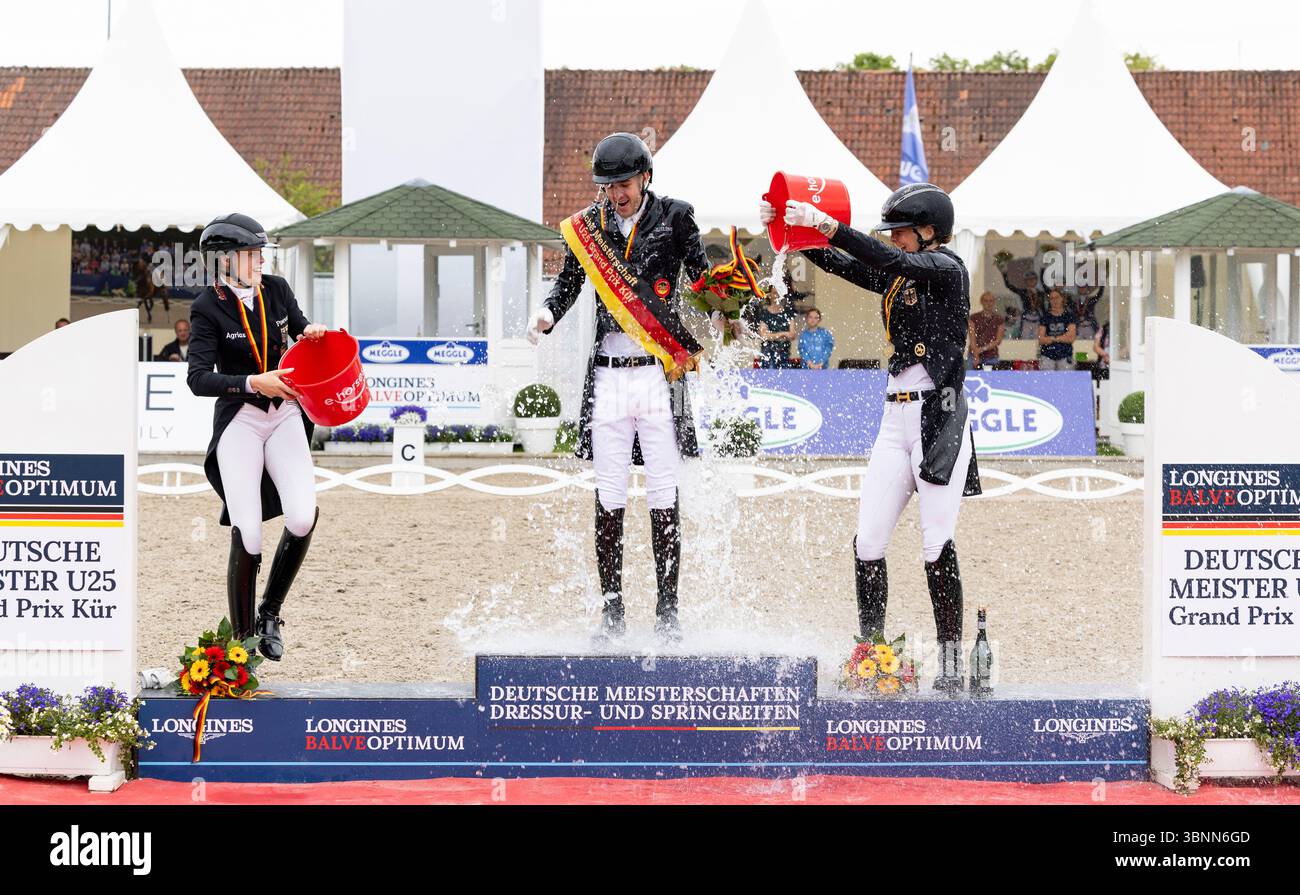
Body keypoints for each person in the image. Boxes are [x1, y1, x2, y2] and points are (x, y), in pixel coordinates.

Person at [760, 182, 981, 695]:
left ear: (929, 232)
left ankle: (950, 663)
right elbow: (851, 265)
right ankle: (874, 652)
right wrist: (792, 232)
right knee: (868, 542)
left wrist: (830, 225)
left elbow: (883, 257)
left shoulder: (948, 268)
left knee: (934, 543)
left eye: (901, 232)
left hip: (937, 416)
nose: (895, 240)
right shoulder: (902, 278)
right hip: (893, 416)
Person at [527, 132, 716, 645]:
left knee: (662, 493)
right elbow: (569, 283)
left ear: (646, 177)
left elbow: (702, 279)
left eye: (625, 184)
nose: (617, 195)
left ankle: (668, 611)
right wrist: (548, 312)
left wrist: (729, 292)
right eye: (608, 187)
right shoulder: (588, 227)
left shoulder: (677, 217)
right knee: (608, 494)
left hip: (660, 372)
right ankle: (611, 612)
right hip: (609, 373)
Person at [187, 213, 326, 662]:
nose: (260, 260)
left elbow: (299, 328)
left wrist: (313, 334)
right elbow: (198, 378)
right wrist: (252, 382)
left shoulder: (279, 289)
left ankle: (270, 612)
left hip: (285, 413)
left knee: (303, 516)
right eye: (251, 254)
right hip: (241, 419)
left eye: (261, 253)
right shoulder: (207, 306)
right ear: (225, 260)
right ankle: (243, 643)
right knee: (249, 531)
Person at [756, 290, 799, 368]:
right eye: (775, 293)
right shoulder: (764, 313)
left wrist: (772, 336)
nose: (777, 295)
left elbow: (792, 335)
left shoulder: (788, 312)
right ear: (769, 295)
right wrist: (783, 334)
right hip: (767, 353)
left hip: (784, 352)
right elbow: (763, 335)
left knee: (784, 378)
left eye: (779, 292)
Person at [1037, 289, 1077, 370]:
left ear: (1062, 298)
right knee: (1047, 382)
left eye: (1057, 297)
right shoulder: (1045, 317)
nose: (1054, 300)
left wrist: (1052, 338)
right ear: (1049, 301)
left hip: (1065, 356)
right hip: (1047, 356)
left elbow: (1071, 338)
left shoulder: (1069, 316)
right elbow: (1041, 339)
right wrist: (1062, 337)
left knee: (1065, 382)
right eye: (1052, 298)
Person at [967, 291, 1004, 370]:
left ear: (994, 302)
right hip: (974, 354)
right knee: (971, 379)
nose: (988, 303)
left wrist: (981, 349)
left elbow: (998, 340)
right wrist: (976, 355)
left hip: (991, 356)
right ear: (981, 302)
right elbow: (972, 338)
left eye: (991, 301)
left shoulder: (999, 319)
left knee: (993, 380)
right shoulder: (974, 318)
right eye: (986, 301)